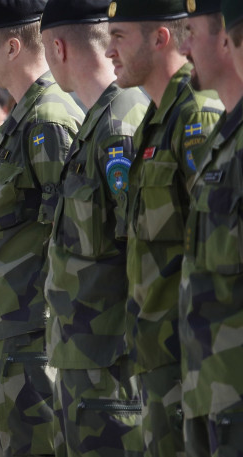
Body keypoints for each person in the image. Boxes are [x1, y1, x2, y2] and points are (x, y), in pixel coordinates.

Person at [104, 0, 224, 455]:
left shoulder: (196, 116)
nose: (109, 50)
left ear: (161, 38)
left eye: (119, 37)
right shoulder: (154, 122)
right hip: (156, 354)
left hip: (189, 359)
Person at [0, 1, 85, 456]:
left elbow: (71, 231)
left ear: (12, 46)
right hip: (11, 326)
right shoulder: (24, 117)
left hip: (34, 329)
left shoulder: (47, 119)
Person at [39, 1, 150, 456]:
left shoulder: (120, 124)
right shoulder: (98, 121)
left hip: (111, 360)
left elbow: (141, 250)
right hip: (85, 352)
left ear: (57, 48)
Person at [178, 0, 243, 454]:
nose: (184, 50)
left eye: (191, 33)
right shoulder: (224, 138)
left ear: (225, 39)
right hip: (211, 388)